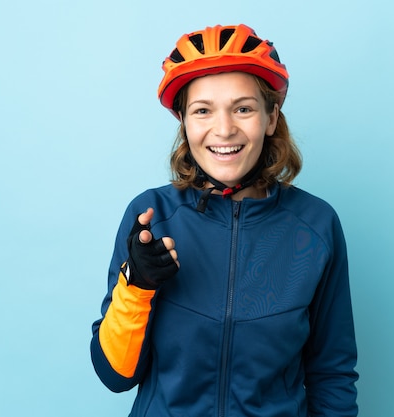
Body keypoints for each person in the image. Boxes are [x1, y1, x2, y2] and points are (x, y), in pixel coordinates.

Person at [90, 24, 358, 416]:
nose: (224, 129)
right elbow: (116, 376)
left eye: (243, 108)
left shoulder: (315, 226)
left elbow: (332, 374)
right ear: (184, 121)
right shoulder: (151, 218)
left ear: (270, 118)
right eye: (203, 111)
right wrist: (137, 286)